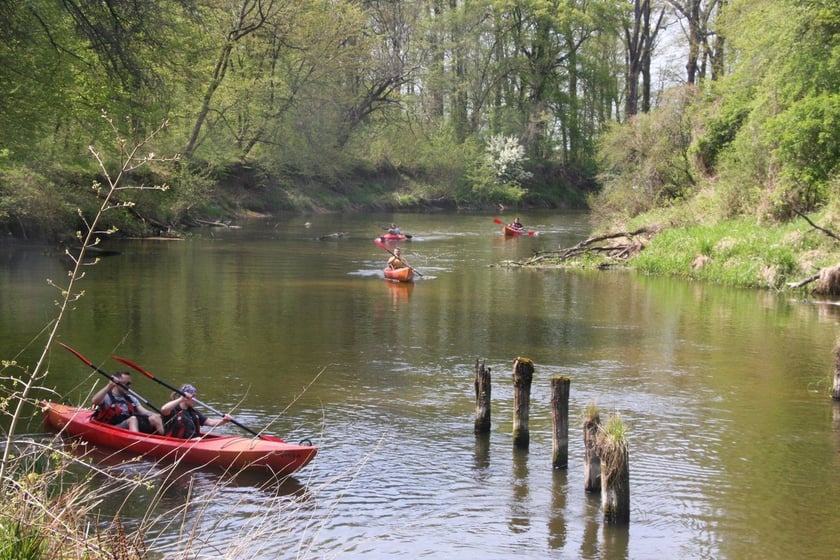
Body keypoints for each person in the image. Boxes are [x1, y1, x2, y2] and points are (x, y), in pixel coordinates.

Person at [92, 371, 164, 434]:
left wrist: (160, 415)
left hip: (129, 426)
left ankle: (166, 440)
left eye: (130, 384)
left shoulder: (131, 398)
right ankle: (136, 443)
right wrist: (109, 386)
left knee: (155, 418)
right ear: (117, 383)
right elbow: (95, 401)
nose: (129, 386)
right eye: (126, 384)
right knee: (132, 419)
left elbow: (145, 412)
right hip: (113, 427)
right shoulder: (107, 397)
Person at [160, 384, 231, 439]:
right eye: (193, 396)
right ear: (185, 397)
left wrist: (223, 421)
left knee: (199, 439)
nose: (195, 399)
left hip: (195, 441)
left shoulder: (193, 412)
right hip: (176, 443)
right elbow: (163, 409)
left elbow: (210, 422)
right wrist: (181, 399)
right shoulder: (173, 410)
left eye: (195, 396)